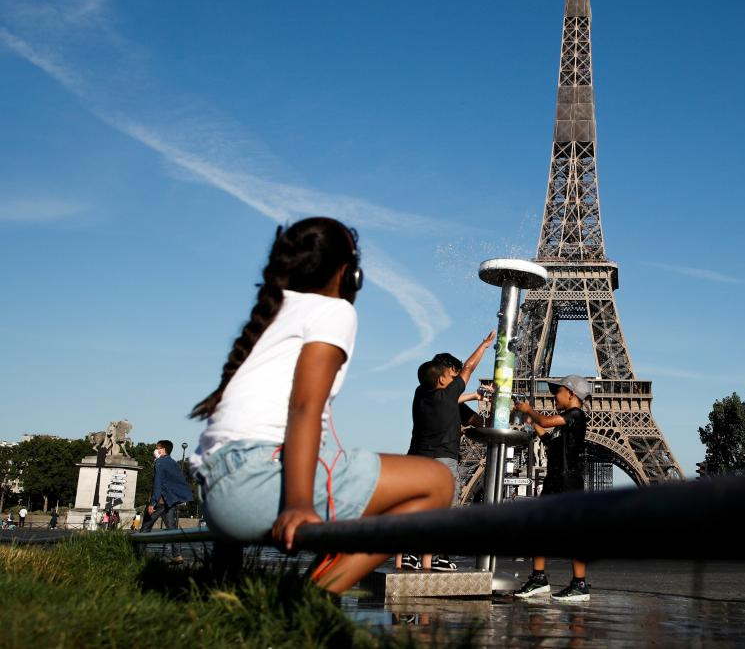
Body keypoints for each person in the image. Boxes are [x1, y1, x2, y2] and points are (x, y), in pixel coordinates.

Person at [189, 217, 452, 594]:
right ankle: (311, 597)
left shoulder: (272, 315)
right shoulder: (334, 311)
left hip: (218, 496)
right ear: (349, 274)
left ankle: (254, 589)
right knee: (437, 483)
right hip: (258, 483)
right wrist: (297, 504)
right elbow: (304, 408)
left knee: (358, 462)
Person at [398, 337, 494, 572]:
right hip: (442, 461)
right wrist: (483, 345)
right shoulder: (450, 394)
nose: (456, 379)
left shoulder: (421, 393)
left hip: (416, 458)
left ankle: (409, 556)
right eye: (453, 375)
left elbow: (461, 407)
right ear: (442, 377)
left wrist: (472, 397)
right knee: (444, 510)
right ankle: (437, 557)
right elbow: (470, 368)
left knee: (416, 507)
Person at [512, 375, 592, 602]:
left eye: (558, 392)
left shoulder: (576, 415)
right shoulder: (566, 425)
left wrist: (530, 409)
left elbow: (547, 422)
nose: (554, 396)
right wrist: (532, 420)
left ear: (571, 393)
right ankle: (539, 579)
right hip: (556, 480)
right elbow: (549, 441)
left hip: (568, 482)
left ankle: (580, 584)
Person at [139, 439, 195, 558]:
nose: (156, 450)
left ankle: (138, 555)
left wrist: (152, 503)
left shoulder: (160, 463)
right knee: (172, 529)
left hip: (159, 501)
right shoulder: (173, 463)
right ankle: (177, 555)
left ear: (163, 450)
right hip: (170, 501)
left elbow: (158, 484)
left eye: (158, 448)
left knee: (145, 529)